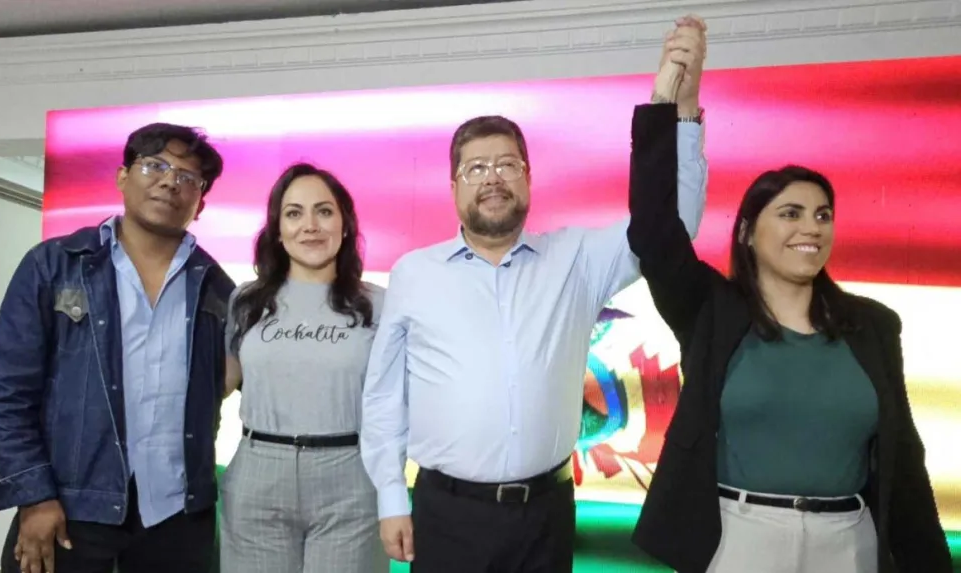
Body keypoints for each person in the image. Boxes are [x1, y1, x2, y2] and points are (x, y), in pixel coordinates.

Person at [359, 20, 709, 573]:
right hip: (446, 514)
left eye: (507, 165)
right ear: (453, 187)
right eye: (475, 168)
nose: (492, 179)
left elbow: (671, 228)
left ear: (528, 177)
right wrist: (388, 496)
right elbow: (384, 398)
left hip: (545, 516)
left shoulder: (577, 259)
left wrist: (681, 114)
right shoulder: (414, 274)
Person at [627, 16, 952, 573]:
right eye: (791, 213)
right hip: (740, 540)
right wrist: (673, 104)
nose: (811, 228)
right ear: (748, 233)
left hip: (848, 544)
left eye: (823, 215)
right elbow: (655, 231)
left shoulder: (873, 325)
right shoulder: (713, 311)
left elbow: (904, 458)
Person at [0, 122, 234, 573]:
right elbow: (4, 393)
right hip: (68, 509)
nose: (170, 182)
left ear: (201, 201)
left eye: (188, 177)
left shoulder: (218, 289)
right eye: (154, 166)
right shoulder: (54, 266)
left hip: (177, 517)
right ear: (122, 177)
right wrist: (34, 495)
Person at [220, 163, 388, 573]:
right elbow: (220, 384)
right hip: (258, 474)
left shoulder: (379, 304)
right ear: (278, 230)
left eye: (324, 211)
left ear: (345, 225)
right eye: (294, 213)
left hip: (350, 476)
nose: (310, 225)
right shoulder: (246, 302)